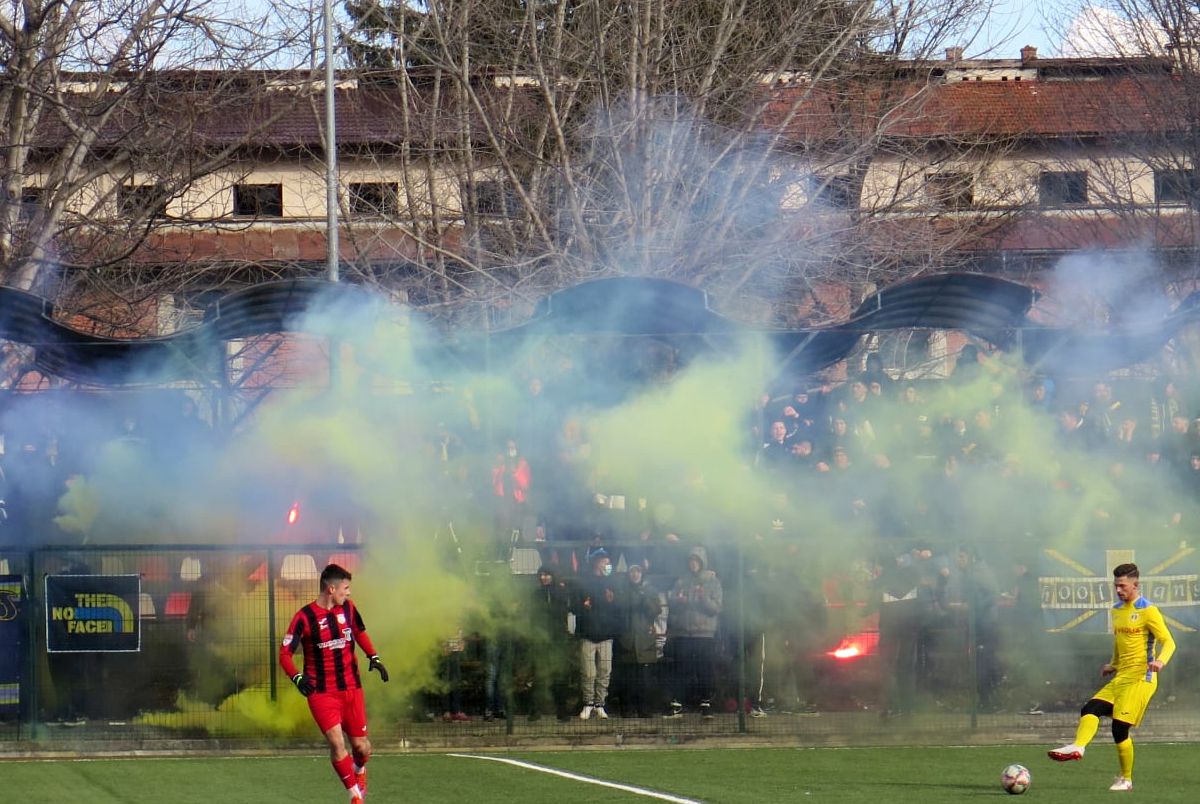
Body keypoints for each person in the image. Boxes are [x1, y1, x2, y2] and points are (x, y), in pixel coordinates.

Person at [1048, 563, 1176, 792]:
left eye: (1122, 586)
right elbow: (1120, 641)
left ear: (1136, 585)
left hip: (1142, 677)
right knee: (1090, 708)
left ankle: (1126, 779)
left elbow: (1169, 641)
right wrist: (1113, 664)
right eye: (1116, 585)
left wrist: (1160, 661)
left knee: (1119, 727)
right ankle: (1078, 747)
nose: (1118, 590)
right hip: (1122, 676)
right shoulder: (1116, 610)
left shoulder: (1149, 610)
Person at [279, 564, 389, 804]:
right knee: (337, 743)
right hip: (322, 693)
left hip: (352, 689)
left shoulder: (349, 608)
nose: (348, 593)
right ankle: (355, 797)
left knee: (361, 747)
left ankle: (360, 770)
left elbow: (359, 632)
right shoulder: (304, 617)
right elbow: (284, 654)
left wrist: (374, 656)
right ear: (331, 588)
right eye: (346, 588)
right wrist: (297, 677)